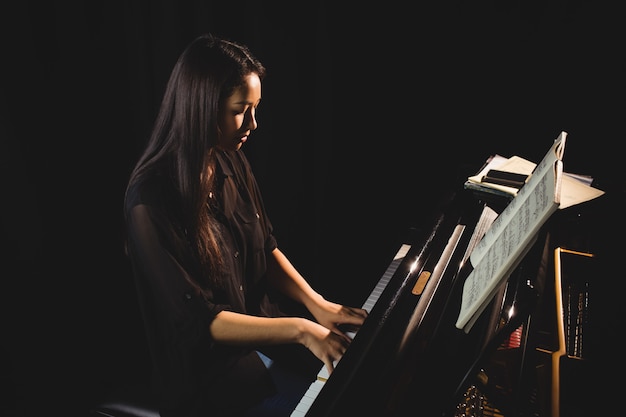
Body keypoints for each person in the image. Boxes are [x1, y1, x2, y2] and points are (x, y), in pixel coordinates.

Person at [123, 33, 368, 417]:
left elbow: (265, 247)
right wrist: (302, 330)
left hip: (263, 347)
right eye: (241, 110)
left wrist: (318, 305)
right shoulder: (149, 201)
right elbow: (201, 323)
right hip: (208, 380)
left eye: (255, 108)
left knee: (356, 386)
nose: (253, 123)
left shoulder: (229, 158)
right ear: (202, 108)